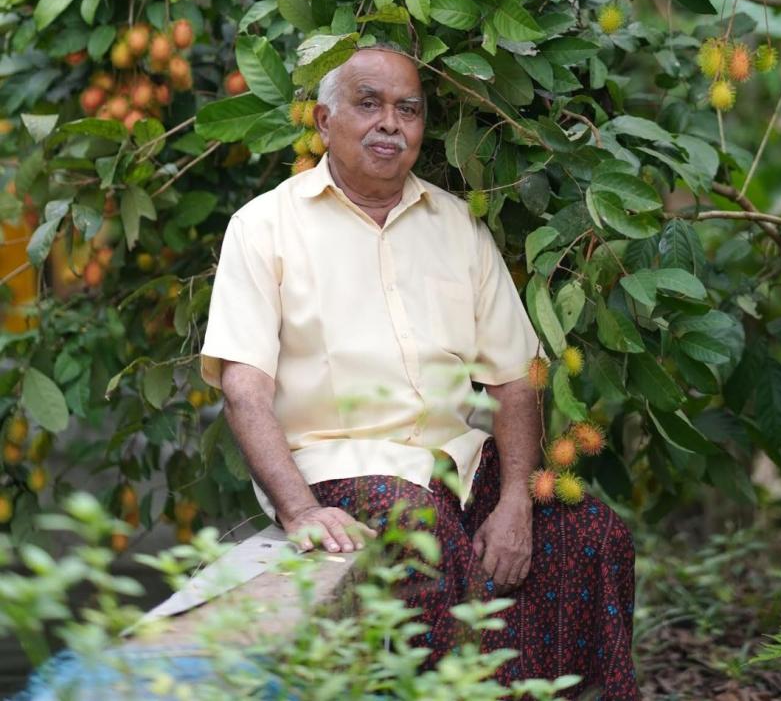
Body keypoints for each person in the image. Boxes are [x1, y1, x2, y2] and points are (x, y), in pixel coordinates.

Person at [201, 44, 640, 700]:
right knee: (424, 533)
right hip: (339, 467)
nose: (390, 124)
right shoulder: (264, 226)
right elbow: (243, 387)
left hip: (457, 468)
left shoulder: (457, 224)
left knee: (591, 538)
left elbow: (516, 379)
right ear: (323, 120)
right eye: (368, 103)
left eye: (407, 109)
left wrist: (516, 498)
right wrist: (297, 510)